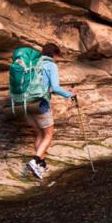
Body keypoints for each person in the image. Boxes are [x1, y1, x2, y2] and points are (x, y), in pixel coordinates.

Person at [26, 43, 76, 179]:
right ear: (54, 54)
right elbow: (55, 87)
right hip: (40, 103)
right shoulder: (51, 65)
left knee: (39, 134)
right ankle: (35, 160)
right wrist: (70, 94)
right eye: (58, 56)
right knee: (48, 135)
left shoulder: (33, 62)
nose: (58, 59)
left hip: (25, 103)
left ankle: (40, 165)